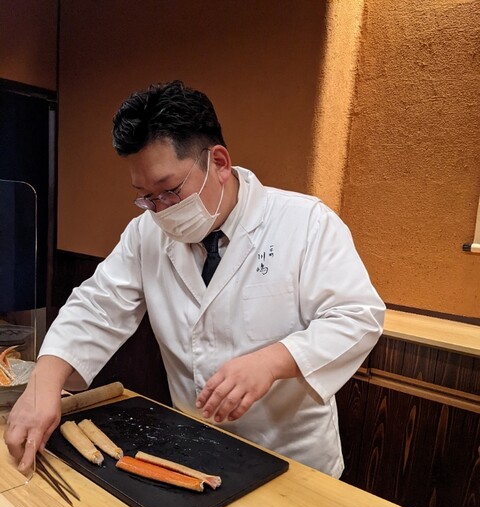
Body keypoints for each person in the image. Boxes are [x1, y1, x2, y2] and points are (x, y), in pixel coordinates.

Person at [5, 80, 385, 477]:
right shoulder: (146, 234)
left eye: (169, 190)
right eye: (145, 196)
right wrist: (44, 384)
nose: (160, 209)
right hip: (195, 448)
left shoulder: (305, 223)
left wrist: (274, 361)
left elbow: (358, 316)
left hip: (293, 461)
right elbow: (96, 307)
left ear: (218, 163)